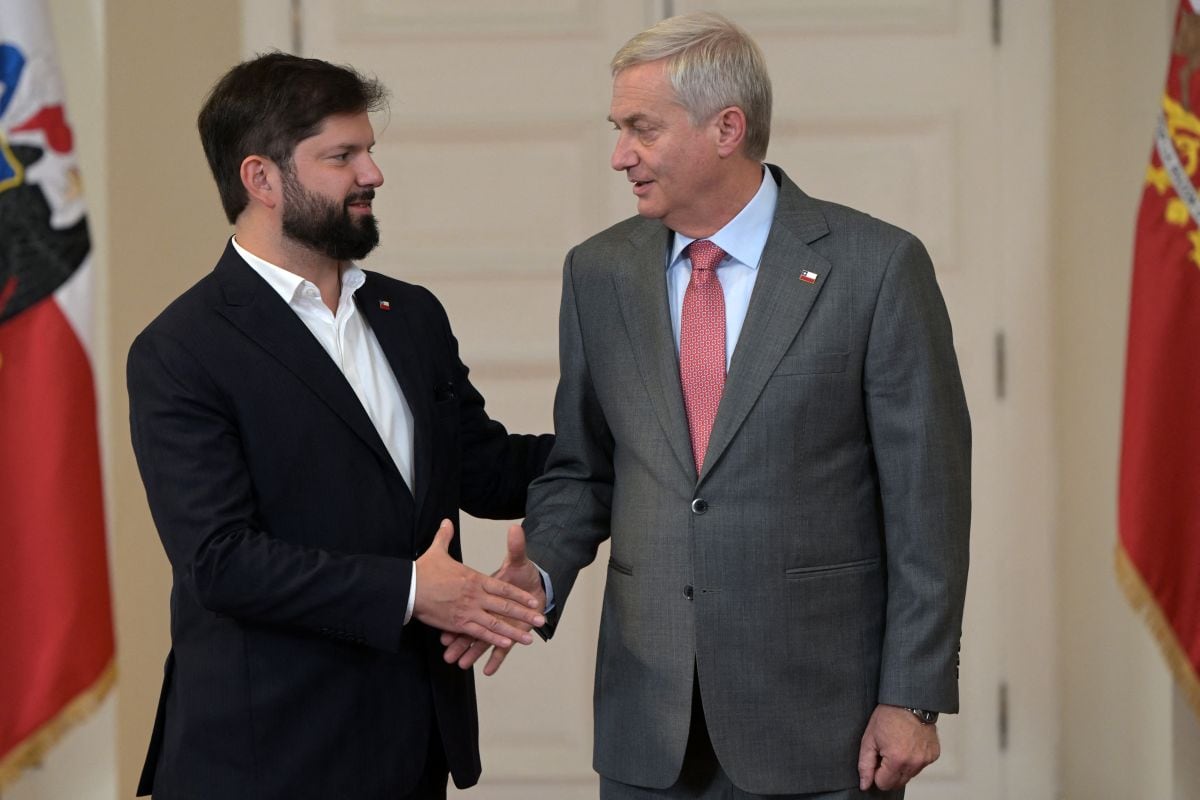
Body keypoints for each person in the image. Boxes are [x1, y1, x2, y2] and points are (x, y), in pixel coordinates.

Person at [445, 12, 971, 799]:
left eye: (641, 130)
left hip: (822, 726)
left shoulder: (877, 268)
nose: (620, 155)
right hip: (648, 727)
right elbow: (585, 467)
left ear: (727, 128)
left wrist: (912, 695)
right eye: (618, 128)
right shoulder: (599, 272)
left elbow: (926, 502)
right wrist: (542, 577)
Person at [127, 52, 554, 800]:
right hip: (262, 761)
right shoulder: (179, 350)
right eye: (342, 156)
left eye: (370, 152)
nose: (372, 175)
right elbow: (220, 562)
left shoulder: (411, 315)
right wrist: (412, 592)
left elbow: (483, 469)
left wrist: (639, 442)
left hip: (410, 748)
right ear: (261, 178)